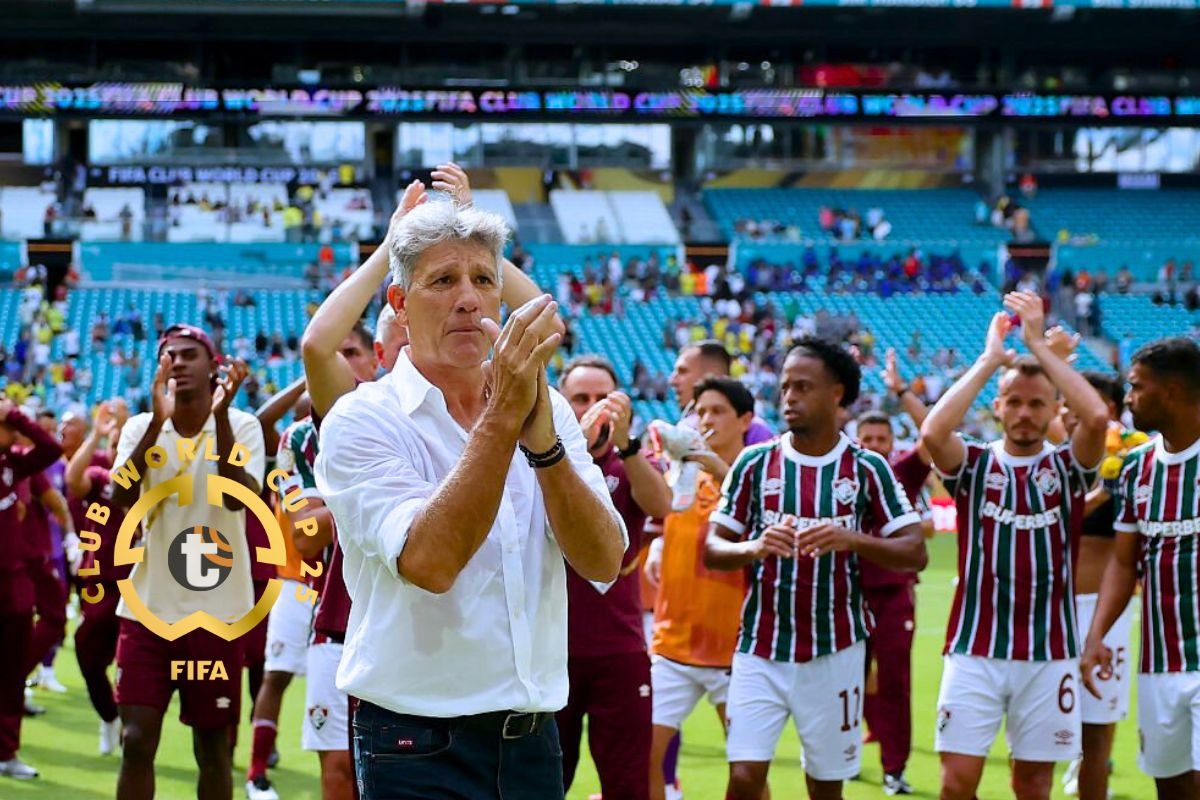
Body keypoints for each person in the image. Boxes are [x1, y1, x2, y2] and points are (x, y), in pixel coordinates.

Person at [314, 199, 625, 799]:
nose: (468, 298)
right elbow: (430, 563)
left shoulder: (548, 407)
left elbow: (603, 559)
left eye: (484, 279)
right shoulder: (362, 419)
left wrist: (548, 453)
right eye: (443, 280)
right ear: (399, 304)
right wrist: (506, 416)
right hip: (414, 744)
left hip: (535, 739)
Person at [704, 337, 928, 800]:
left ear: (837, 394)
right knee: (744, 778)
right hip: (760, 650)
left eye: (803, 387)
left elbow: (914, 551)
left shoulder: (868, 469)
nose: (789, 397)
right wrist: (755, 547)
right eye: (786, 387)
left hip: (837, 651)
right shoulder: (754, 463)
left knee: (825, 786)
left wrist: (852, 539)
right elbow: (712, 548)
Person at [920, 292, 1108, 800]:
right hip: (974, 650)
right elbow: (933, 431)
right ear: (998, 407)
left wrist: (1039, 349)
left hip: (1049, 653)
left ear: (1052, 409)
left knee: (1033, 785)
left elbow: (1094, 420)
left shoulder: (1067, 468)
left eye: (1036, 403)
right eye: (1015, 402)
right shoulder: (975, 465)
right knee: (956, 784)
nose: (1025, 412)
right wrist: (990, 360)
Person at [109, 325, 264, 800]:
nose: (176, 361)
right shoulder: (141, 427)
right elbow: (120, 496)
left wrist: (218, 417)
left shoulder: (242, 425)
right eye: (167, 355)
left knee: (213, 748)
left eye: (188, 354)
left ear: (213, 366)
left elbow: (240, 498)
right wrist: (158, 422)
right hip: (148, 612)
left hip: (215, 618)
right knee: (134, 742)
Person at [1081, 337, 1200, 800]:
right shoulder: (1134, 468)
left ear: (1170, 391)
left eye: (1136, 388)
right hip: (1160, 662)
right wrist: (1095, 638)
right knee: (1170, 787)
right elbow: (1124, 562)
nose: (1127, 399)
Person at [555, 355, 671, 800]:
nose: (592, 407)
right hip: (549, 650)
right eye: (580, 398)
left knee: (628, 784)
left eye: (603, 398)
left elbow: (661, 506)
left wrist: (628, 445)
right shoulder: (543, 463)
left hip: (618, 650)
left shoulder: (633, 461)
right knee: (543, 783)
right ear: (561, 404)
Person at [645, 376, 753, 800]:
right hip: (672, 644)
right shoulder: (680, 476)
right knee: (644, 758)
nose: (706, 419)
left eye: (718, 411)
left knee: (747, 773)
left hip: (737, 651)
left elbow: (757, 513)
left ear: (745, 419)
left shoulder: (755, 473)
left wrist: (713, 463)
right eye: (701, 411)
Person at [1057, 372, 1142, 800]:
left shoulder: (1135, 454)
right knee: (1029, 728)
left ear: (1108, 409)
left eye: (1079, 402)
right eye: (1066, 402)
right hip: (1050, 608)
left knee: (1098, 733)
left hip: (1105, 610)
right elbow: (1061, 513)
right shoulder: (1052, 456)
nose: (1068, 410)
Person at [856, 362, 934, 797]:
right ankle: (845, 754)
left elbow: (936, 434)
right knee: (842, 679)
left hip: (895, 595)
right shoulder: (842, 474)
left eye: (881, 439)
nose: (874, 446)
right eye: (866, 439)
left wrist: (903, 392)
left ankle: (894, 768)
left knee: (895, 682)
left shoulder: (902, 472)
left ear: (892, 443)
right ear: (856, 441)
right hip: (847, 594)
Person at [0, 401, 63, 780]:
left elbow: (52, 449)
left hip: (13, 588)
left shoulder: (14, 464)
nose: (11, 431)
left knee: (9, 677)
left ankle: (6, 753)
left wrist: (16, 414)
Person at [66, 400, 130, 756]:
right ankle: (110, 716)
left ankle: (132, 729)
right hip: (99, 583)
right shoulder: (101, 477)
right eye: (114, 443)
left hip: (136, 586)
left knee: (134, 664)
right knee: (88, 657)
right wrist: (96, 433)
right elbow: (73, 482)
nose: (118, 448)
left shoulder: (146, 483)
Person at [668, 340, 774, 446]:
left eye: (682, 372)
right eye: (702, 413)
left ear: (712, 376)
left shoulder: (755, 431)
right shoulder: (684, 426)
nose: (672, 380)